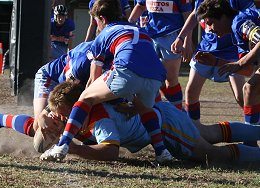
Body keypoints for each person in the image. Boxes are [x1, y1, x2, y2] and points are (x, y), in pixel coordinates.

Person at [41, 0, 171, 163]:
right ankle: (162, 152)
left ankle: (63, 145)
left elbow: (93, 80)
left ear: (102, 18)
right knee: (144, 109)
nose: (97, 25)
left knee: (85, 98)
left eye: (96, 21)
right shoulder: (139, 29)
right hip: (156, 75)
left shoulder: (105, 34)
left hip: (128, 69)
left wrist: (87, 107)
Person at [40, 81, 260, 163]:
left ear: (76, 109)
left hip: (165, 125)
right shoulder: (86, 105)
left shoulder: (100, 120)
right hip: (160, 112)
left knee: (211, 154)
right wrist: (42, 116)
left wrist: (75, 150)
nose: (59, 119)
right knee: (211, 134)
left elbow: (110, 152)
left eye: (63, 115)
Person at [0, 41, 96, 146]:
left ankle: (91, 141)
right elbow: (65, 92)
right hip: (51, 77)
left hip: (72, 86)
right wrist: (45, 112)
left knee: (77, 117)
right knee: (40, 126)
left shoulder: (108, 58)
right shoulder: (84, 62)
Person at [171, 0, 255, 121]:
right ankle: (194, 130)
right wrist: (183, 38)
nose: (208, 27)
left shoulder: (239, 12)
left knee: (241, 96)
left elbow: (251, 17)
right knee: (191, 91)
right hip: (206, 48)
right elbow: (196, 14)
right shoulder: (203, 7)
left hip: (233, 49)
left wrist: (249, 49)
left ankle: (252, 132)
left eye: (211, 23)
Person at [194, 0, 260, 126]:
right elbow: (248, 70)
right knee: (250, 89)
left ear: (223, 17)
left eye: (210, 23)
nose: (210, 29)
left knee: (250, 89)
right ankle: (250, 140)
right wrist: (216, 62)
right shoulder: (237, 36)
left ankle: (250, 140)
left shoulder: (240, 22)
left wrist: (240, 63)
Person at [128, 0, 193, 110]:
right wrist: (128, 25)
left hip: (172, 36)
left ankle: (177, 113)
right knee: (151, 77)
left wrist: (187, 41)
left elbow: (188, 15)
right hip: (150, 35)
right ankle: (158, 112)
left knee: (170, 79)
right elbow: (140, 6)